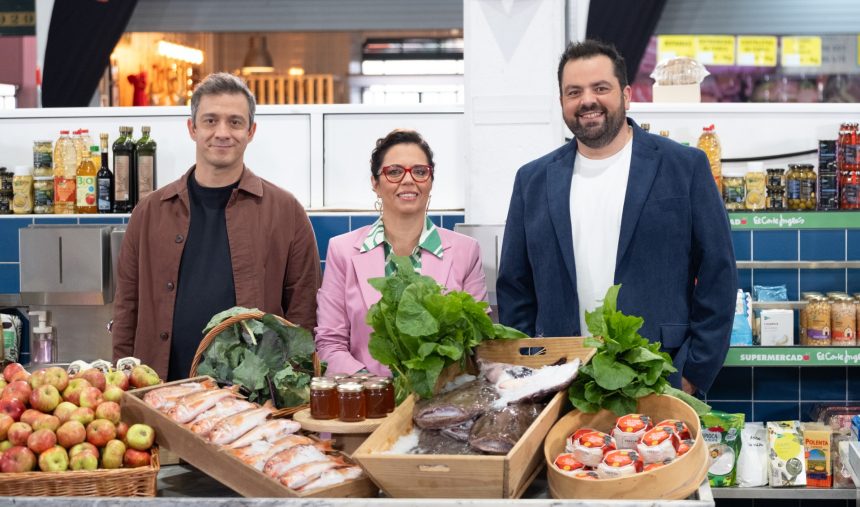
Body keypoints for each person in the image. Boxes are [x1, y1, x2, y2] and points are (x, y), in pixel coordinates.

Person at [496, 40, 736, 395]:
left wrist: (692, 373)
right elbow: (515, 286)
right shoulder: (532, 181)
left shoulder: (684, 167)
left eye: (600, 88)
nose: (587, 100)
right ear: (562, 102)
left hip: (658, 375)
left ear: (626, 95)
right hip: (561, 381)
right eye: (573, 91)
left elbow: (719, 273)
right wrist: (530, 370)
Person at [112, 72, 321, 381]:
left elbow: (304, 314)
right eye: (210, 121)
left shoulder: (286, 212)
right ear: (192, 128)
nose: (222, 132)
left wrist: (294, 390)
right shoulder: (149, 212)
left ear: (251, 131)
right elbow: (126, 309)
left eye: (235, 122)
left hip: (253, 400)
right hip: (161, 390)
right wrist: (123, 385)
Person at [315, 129, 488, 375]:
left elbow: (479, 341)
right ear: (375, 183)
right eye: (394, 172)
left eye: (420, 171)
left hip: (443, 399)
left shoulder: (466, 251)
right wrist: (374, 388)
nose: (408, 180)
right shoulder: (342, 251)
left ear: (430, 181)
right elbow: (330, 343)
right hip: (368, 404)